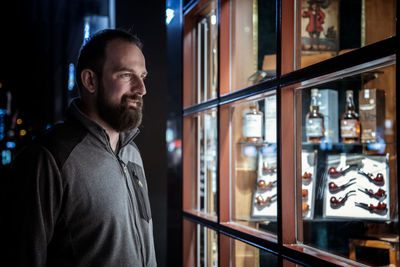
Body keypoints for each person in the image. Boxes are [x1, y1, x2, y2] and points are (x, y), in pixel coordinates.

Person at [1, 29, 156, 266]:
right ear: (90, 81)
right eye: (126, 75)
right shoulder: (48, 158)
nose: (141, 89)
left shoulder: (132, 153)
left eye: (142, 76)